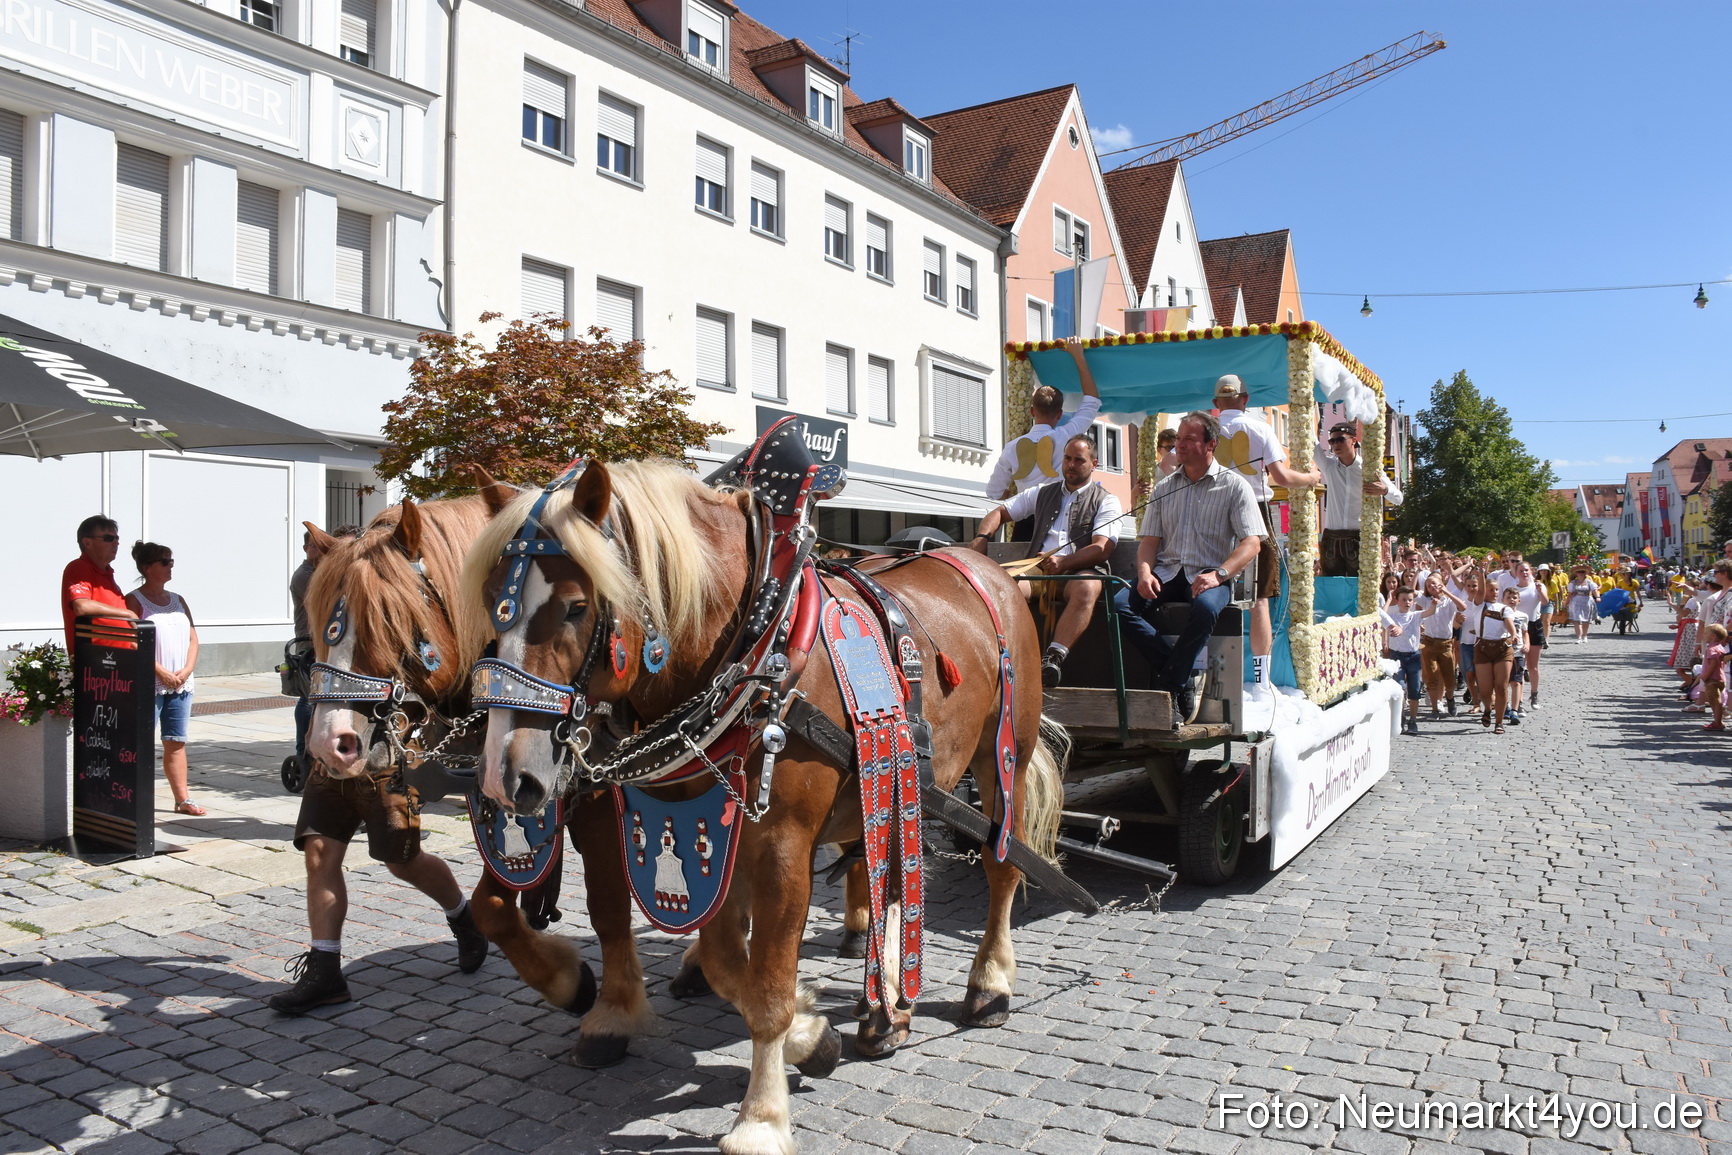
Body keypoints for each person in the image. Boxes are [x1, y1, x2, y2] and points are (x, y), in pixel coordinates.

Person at [1114, 411, 1263, 725]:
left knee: (1207, 609)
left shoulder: (1235, 486)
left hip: (1210, 574)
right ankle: (1177, 673)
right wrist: (1143, 572)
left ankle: (1170, 684)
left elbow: (1252, 543)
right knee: (1118, 605)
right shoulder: (1164, 487)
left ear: (1211, 444)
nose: (1178, 446)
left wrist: (1219, 575)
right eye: (1178, 439)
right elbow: (1150, 542)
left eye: (1188, 439)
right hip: (1167, 571)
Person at [970, 434, 1120, 687]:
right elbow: (999, 511)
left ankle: (1053, 658)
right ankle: (1001, 653)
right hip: (1038, 570)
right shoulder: (1042, 493)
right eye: (1067, 458)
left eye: (1079, 460)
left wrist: (1064, 562)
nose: (1071, 464)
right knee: (1008, 585)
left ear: (1093, 464)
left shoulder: (1107, 500)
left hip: (1079, 571)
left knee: (1087, 587)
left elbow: (1101, 548)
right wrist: (982, 538)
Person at [1210, 374, 1321, 695]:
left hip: (1214, 513)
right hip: (1254, 513)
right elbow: (1283, 477)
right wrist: (1312, 477)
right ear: (1245, 400)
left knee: (1213, 595)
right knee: (1258, 599)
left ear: (1216, 404)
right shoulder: (1260, 427)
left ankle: (1217, 679)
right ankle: (1260, 682)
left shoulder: (1207, 429)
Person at [125, 542, 203, 817]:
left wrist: (186, 670)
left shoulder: (178, 599)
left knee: (176, 741)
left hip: (181, 683)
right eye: (165, 561)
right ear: (148, 568)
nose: (171, 565)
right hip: (150, 682)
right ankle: (133, 799)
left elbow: (193, 638)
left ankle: (182, 800)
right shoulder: (134, 601)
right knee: (140, 742)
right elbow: (132, 642)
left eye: (171, 560)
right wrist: (159, 671)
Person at [985, 336, 1100, 517]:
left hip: (1026, 520)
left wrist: (1021, 501)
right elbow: (1092, 400)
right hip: (1059, 517)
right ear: (1060, 414)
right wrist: (1079, 356)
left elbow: (994, 492)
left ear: (1032, 411)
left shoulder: (1011, 448)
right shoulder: (1067, 436)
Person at [288, 525, 361, 765]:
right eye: (315, 547)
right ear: (306, 549)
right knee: (310, 697)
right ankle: (304, 753)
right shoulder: (305, 575)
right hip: (310, 644)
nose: (321, 552)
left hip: (331, 643)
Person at [1316, 420, 1402, 578]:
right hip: (1332, 537)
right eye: (1332, 441)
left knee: (1360, 587)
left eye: (1340, 439)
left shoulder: (1369, 469)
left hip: (1358, 538)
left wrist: (1385, 489)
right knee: (1332, 587)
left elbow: (1398, 498)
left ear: (1353, 441)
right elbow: (1311, 443)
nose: (1335, 444)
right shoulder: (1329, 466)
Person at [61, 515, 137, 651]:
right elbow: (82, 606)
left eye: (117, 538)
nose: (116, 543)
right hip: (96, 662)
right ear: (87, 543)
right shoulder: (79, 567)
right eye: (109, 538)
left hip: (120, 660)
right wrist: (127, 614)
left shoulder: (107, 573)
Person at [1476, 586, 1528, 734]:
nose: (1494, 592)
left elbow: (1508, 621)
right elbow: (1479, 590)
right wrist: (1480, 573)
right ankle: (1487, 708)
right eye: (1491, 590)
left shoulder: (1505, 608)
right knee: (1485, 690)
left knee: (1501, 686)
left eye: (1497, 590)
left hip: (1503, 648)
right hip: (1483, 648)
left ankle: (1499, 722)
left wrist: (1513, 634)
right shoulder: (1478, 605)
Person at [1417, 574, 1467, 717]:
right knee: (1432, 676)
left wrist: (1446, 591)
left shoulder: (1448, 601)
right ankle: (1435, 708)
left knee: (1449, 678)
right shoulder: (1426, 600)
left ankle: (1450, 698)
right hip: (1429, 642)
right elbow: (1412, 591)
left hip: (1446, 644)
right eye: (1428, 585)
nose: (1432, 587)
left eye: (1434, 584)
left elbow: (1462, 606)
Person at [1381, 585, 1426, 735]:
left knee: (1415, 690)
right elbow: (1382, 615)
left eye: (1410, 600)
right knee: (1400, 687)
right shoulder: (1393, 616)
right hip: (1396, 656)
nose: (1407, 602)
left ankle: (1413, 720)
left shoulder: (1416, 615)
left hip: (1413, 656)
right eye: (1404, 600)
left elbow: (1431, 612)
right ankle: (1401, 716)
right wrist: (1388, 600)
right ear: (1397, 601)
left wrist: (1434, 604)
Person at [1506, 562, 1548, 710]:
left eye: (1526, 570)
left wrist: (1539, 591)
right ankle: (1520, 701)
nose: (1524, 573)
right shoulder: (1514, 589)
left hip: (1533, 625)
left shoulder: (1538, 586)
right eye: (1521, 571)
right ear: (1517, 573)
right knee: (1520, 666)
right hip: (1517, 627)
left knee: (1533, 666)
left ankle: (1534, 694)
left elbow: (1545, 602)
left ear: (1531, 571)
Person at [1699, 623, 1728, 732]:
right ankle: (1717, 720)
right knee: (1713, 700)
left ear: (1713, 636)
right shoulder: (1720, 647)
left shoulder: (1711, 649)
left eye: (1706, 633)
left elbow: (1713, 664)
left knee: (1716, 701)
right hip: (1720, 678)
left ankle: (1718, 722)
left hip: (1713, 679)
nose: (1704, 635)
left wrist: (1705, 676)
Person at [1565, 565, 1598, 643]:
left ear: (1585, 573)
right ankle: (1579, 637)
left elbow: (1594, 590)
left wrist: (1597, 597)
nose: (1580, 573)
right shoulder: (1573, 583)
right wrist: (1567, 602)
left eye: (1582, 572)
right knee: (1577, 619)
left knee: (1586, 620)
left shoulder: (1589, 582)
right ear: (1576, 573)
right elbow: (1570, 593)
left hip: (1586, 601)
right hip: (1576, 601)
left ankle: (1585, 635)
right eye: (1579, 572)